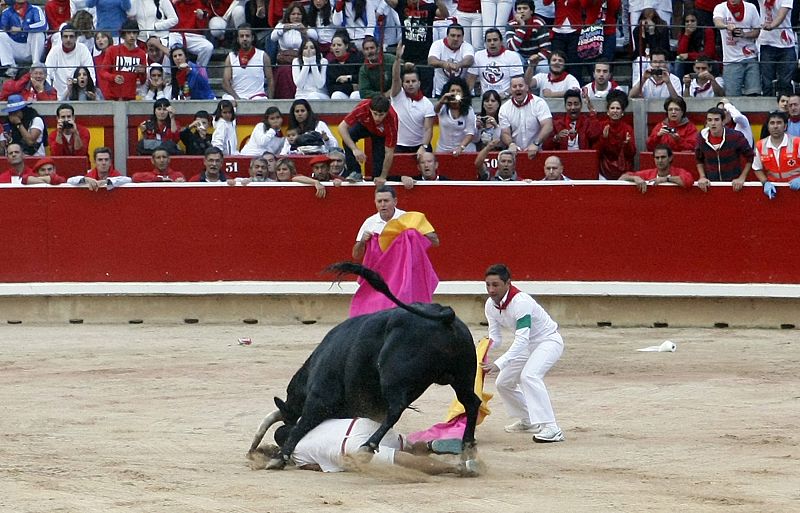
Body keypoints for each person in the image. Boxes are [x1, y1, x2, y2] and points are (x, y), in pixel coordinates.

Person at [481, 263, 565, 443]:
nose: (491, 290)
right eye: (488, 284)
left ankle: (551, 427)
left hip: (548, 341)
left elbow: (522, 340)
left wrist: (499, 363)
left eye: (495, 285)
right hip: (527, 347)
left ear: (508, 283)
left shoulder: (521, 302)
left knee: (529, 376)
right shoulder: (490, 305)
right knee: (503, 382)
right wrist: (481, 350)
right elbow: (495, 337)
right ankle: (528, 420)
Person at [251, 417, 468, 475]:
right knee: (408, 447)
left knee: (399, 460)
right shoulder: (312, 422)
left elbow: (316, 467)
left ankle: (457, 468)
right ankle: (431, 445)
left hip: (350, 445)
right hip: (361, 424)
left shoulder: (295, 453)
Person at [352, 184, 439, 260]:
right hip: (381, 269)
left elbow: (435, 242)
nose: (382, 204)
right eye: (379, 201)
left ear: (395, 201)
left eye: (386, 201)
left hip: (403, 268)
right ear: (375, 202)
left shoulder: (407, 219)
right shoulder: (370, 222)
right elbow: (356, 256)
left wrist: (420, 233)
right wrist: (362, 242)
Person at [385, 0, 448, 97]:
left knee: (425, 93)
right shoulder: (401, 5)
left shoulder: (429, 7)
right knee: (406, 92)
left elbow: (444, 14)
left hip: (425, 58)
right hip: (407, 58)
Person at [695, 107, 754, 193]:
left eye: (716, 120)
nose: (713, 123)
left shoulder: (736, 136)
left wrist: (742, 177)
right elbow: (698, 158)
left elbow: (750, 156)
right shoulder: (701, 137)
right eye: (710, 120)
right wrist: (702, 176)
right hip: (711, 184)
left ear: (723, 122)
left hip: (734, 184)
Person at [339, 96, 398, 182]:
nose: (377, 118)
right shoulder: (363, 107)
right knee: (348, 138)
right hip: (365, 125)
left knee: (378, 167)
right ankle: (355, 172)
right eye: (375, 113)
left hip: (381, 135)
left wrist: (383, 176)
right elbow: (342, 127)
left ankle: (377, 177)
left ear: (387, 112)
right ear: (370, 109)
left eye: (381, 115)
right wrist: (355, 149)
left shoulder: (392, 119)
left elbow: (389, 152)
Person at [391, 46, 435, 156]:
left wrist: (424, 147)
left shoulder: (427, 104)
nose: (410, 84)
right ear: (403, 83)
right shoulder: (397, 96)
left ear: (419, 83)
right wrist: (397, 59)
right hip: (399, 145)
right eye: (407, 81)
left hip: (420, 146)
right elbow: (395, 78)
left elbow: (428, 129)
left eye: (413, 81)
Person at [271, 1, 319, 99]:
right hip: (285, 62)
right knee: (284, 71)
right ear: (288, 15)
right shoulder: (281, 25)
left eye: (299, 14)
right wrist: (284, 29)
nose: (296, 16)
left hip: (300, 61)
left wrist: (304, 31)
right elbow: (273, 37)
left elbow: (315, 36)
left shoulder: (306, 27)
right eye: (293, 14)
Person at [713, 0, 761, 97]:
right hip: (731, 60)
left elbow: (757, 31)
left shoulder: (751, 7)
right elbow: (717, 22)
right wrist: (726, 26)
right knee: (732, 96)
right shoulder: (720, 7)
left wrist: (744, 34)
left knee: (754, 94)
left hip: (750, 57)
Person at [498, 76, 553, 159]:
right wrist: (511, 144)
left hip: (538, 152)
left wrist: (536, 143)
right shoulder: (504, 108)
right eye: (514, 86)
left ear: (527, 87)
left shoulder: (539, 103)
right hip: (514, 154)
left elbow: (548, 126)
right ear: (510, 90)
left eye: (520, 86)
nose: (517, 89)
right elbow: (505, 132)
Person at [752, 110, 800, 199]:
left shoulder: (797, 142)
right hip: (775, 191)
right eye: (772, 123)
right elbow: (757, 168)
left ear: (785, 126)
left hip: (797, 190)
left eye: (779, 123)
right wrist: (765, 182)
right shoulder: (760, 145)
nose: (775, 126)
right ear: (768, 127)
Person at [466, 29, 523, 98]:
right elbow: (471, 80)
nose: (492, 43)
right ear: (485, 43)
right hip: (485, 100)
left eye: (495, 40)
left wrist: (505, 94)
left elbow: (519, 83)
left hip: (506, 99)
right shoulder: (478, 55)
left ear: (501, 42)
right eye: (489, 40)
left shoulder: (513, 56)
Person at [222, 25, 274, 100]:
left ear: (252, 38)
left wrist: (270, 100)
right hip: (236, 96)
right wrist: (237, 98)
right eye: (242, 36)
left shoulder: (263, 55)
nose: (245, 39)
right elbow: (225, 82)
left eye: (247, 36)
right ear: (237, 39)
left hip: (257, 96)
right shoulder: (230, 57)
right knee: (227, 101)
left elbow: (270, 79)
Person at [44, 24, 96, 100]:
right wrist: (49, 93)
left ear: (76, 38)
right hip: (58, 95)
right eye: (65, 36)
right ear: (61, 38)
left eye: (71, 36)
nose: (68, 39)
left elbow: (90, 72)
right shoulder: (55, 50)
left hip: (79, 94)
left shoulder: (83, 49)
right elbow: (47, 73)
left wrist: (90, 90)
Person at [592, 90, 635, 180]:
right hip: (604, 170)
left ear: (622, 112)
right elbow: (595, 152)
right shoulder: (602, 126)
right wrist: (603, 139)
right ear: (608, 111)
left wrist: (627, 144)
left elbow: (632, 153)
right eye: (612, 108)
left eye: (618, 108)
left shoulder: (627, 128)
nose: (615, 111)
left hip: (624, 170)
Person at [99, 20, 147, 101]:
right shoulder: (112, 50)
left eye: (134, 33)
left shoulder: (141, 54)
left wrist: (142, 73)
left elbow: (142, 81)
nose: (132, 36)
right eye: (129, 33)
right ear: (123, 35)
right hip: (111, 97)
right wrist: (113, 77)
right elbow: (103, 72)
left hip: (130, 98)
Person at [756, 0, 795, 97]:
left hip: (786, 44)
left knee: (785, 81)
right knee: (766, 82)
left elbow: (782, 15)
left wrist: (771, 26)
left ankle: (786, 108)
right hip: (766, 43)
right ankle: (766, 110)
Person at [620, 144, 695, 193]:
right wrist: (635, 178)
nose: (660, 160)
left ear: (670, 158)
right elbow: (622, 178)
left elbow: (688, 181)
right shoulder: (648, 173)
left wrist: (666, 179)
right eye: (657, 157)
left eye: (663, 157)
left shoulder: (679, 172)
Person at [0, 0, 47, 77]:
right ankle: (11, 66)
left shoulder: (35, 9)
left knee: (38, 33)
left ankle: (35, 65)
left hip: (32, 49)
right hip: (15, 49)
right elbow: (3, 27)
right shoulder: (7, 12)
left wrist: (22, 29)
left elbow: (43, 25)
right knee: (0, 33)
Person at [428, 23, 475, 98]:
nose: (456, 39)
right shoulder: (437, 44)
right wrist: (444, 64)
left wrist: (458, 65)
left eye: (459, 36)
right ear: (447, 36)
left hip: (462, 92)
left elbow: (469, 59)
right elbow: (431, 60)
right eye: (453, 35)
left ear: (463, 37)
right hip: (441, 91)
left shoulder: (467, 46)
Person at [434, 77, 477, 155]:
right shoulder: (442, 107)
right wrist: (442, 100)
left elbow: (470, 133)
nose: (455, 93)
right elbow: (435, 110)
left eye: (458, 91)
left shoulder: (469, 110)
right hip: (443, 150)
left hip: (463, 150)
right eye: (452, 91)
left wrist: (461, 147)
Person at [169, 0, 214, 69]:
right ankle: (169, 74)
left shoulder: (200, 3)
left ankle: (198, 72)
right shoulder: (174, 2)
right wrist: (172, 4)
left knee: (208, 47)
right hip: (177, 34)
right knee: (169, 45)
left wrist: (201, 18)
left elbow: (202, 27)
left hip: (195, 36)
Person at [504, 0, 549, 69]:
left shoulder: (539, 23)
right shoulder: (511, 24)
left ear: (531, 11)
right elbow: (512, 48)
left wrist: (535, 59)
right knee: (513, 59)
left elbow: (546, 50)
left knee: (544, 67)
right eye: (519, 9)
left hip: (535, 57)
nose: (522, 11)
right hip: (519, 56)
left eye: (525, 8)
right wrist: (522, 26)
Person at [67, 147, 132, 191]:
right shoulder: (89, 174)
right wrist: (86, 180)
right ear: (95, 162)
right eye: (100, 160)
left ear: (110, 162)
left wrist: (106, 182)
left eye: (106, 160)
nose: (103, 163)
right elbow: (69, 180)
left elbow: (129, 180)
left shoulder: (116, 176)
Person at [676, 10, 718, 77]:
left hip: (705, 62)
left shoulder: (707, 31)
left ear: (698, 21)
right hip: (690, 63)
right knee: (678, 61)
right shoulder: (684, 32)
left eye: (693, 21)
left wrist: (689, 55)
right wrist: (687, 35)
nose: (690, 23)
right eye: (687, 21)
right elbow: (680, 53)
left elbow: (709, 54)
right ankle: (679, 86)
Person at [326, 31, 362, 100]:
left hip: (356, 93)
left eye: (339, 45)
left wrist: (349, 78)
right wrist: (351, 86)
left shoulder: (357, 58)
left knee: (355, 95)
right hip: (343, 94)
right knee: (336, 95)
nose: (336, 48)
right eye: (334, 45)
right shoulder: (331, 64)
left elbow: (361, 78)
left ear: (346, 46)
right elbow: (331, 88)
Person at [358, 36, 395, 100]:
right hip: (376, 101)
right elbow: (364, 92)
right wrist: (384, 95)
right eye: (366, 49)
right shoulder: (363, 69)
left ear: (378, 49)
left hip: (396, 95)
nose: (369, 51)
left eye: (372, 48)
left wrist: (394, 90)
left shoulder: (391, 60)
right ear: (363, 52)